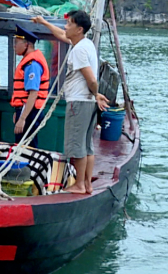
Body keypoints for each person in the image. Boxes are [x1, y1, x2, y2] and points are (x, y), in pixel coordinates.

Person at [33, 11, 109, 194]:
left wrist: (96, 93)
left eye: (69, 24)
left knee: (77, 146)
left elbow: (91, 79)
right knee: (87, 146)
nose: (65, 27)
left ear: (79, 29)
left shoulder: (79, 50)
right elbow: (61, 34)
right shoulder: (85, 43)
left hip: (79, 103)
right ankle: (87, 184)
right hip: (87, 102)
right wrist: (43, 22)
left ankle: (80, 185)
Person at [12, 31, 50, 147]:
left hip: (29, 112)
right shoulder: (29, 62)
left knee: (26, 147)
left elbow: (33, 93)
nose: (14, 46)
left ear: (26, 44)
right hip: (25, 109)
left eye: (16, 42)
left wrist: (22, 118)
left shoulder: (32, 64)